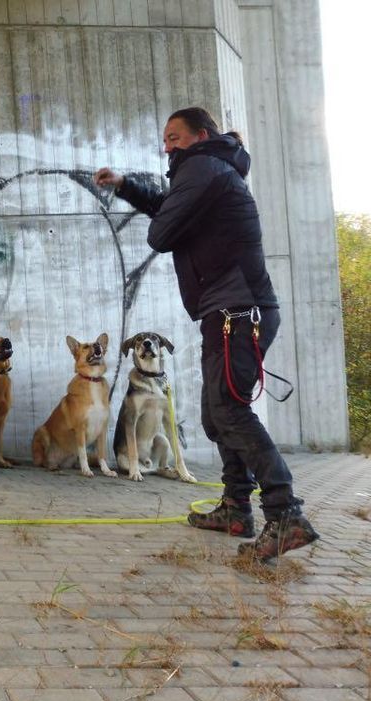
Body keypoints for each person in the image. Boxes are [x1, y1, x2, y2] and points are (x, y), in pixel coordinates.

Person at [93, 106, 319, 562]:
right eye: (166, 139)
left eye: (175, 137)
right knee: (217, 416)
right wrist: (126, 186)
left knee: (230, 412)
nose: (167, 146)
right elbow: (170, 208)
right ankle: (236, 509)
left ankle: (286, 513)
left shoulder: (202, 167)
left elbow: (163, 231)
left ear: (201, 135)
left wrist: (167, 218)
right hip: (230, 311)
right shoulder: (211, 169)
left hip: (238, 312)